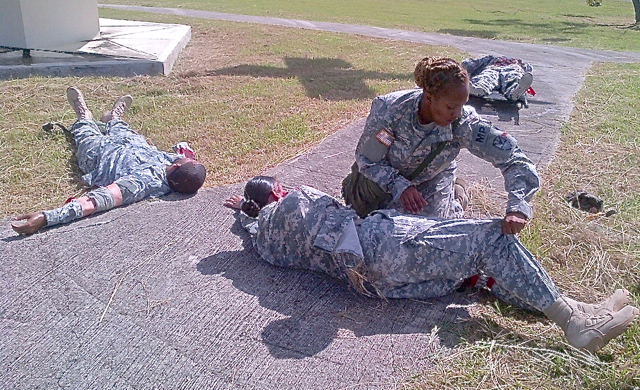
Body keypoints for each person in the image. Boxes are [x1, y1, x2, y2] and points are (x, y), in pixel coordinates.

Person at [225, 176, 638, 354]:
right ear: (278, 190)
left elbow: (250, 225)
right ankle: (574, 322)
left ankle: (581, 310)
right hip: (381, 245)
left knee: (475, 273)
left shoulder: (266, 243)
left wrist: (245, 213)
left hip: (377, 283)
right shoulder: (297, 197)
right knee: (491, 238)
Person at [342, 56, 539, 235]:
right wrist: (400, 186)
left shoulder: (464, 123)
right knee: (377, 227)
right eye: (451, 107)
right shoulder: (390, 110)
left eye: (463, 105)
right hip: (385, 180)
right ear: (428, 98)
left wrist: (518, 207)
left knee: (430, 233)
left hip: (433, 178)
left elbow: (514, 158)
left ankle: (458, 195)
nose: (458, 113)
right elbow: (367, 160)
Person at [11, 87, 207, 235]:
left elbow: (93, 202)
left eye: (183, 160)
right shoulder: (178, 169)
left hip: (99, 156)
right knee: (123, 130)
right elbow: (187, 158)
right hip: (129, 143)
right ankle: (113, 118)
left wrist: (46, 218)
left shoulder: (140, 184)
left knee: (85, 133)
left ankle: (83, 114)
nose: (182, 158)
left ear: (175, 167)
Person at [461, 55, 534, 101]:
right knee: (487, 76)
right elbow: (471, 63)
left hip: (512, 68)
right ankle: (478, 88)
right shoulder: (490, 59)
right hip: (493, 68)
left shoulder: (518, 63)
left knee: (513, 77)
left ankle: (515, 91)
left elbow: (528, 70)